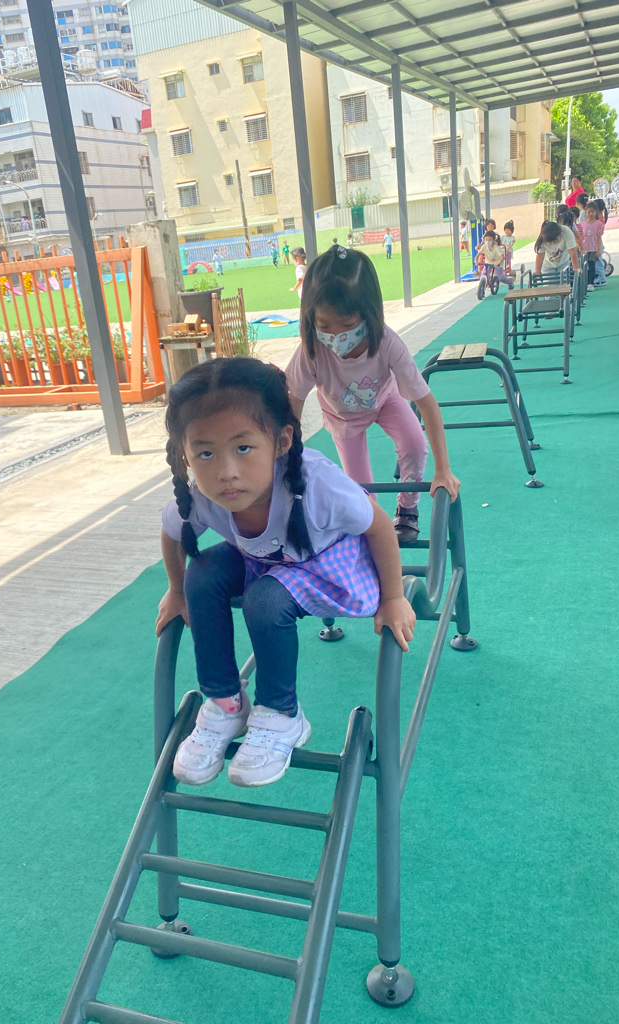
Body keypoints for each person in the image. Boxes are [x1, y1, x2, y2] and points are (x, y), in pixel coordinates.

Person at [156, 358, 416, 787]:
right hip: (263, 558)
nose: (226, 472)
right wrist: (176, 589)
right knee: (199, 574)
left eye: (243, 448)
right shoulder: (201, 494)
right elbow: (173, 533)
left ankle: (282, 713)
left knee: (265, 598)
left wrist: (393, 597)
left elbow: (379, 526)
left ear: (280, 441)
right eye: (205, 453)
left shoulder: (318, 486)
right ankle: (225, 702)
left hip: (326, 561)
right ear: (184, 453)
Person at [284, 245, 460, 546]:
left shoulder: (387, 343)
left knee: (415, 444)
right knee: (361, 491)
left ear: (369, 314)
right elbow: (293, 404)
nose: (336, 336)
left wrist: (443, 469)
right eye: (324, 325)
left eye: (347, 325)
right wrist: (290, 460)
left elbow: (427, 404)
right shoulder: (312, 349)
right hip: (342, 417)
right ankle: (375, 530)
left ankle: (407, 508)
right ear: (311, 318)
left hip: (384, 399)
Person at [580, 201, 605, 290]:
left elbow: (599, 238)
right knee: (583, 267)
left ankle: (591, 283)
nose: (591, 214)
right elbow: (580, 238)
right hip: (584, 249)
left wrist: (598, 249)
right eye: (589, 212)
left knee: (591, 266)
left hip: (593, 249)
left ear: (596, 212)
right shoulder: (581, 224)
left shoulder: (599, 224)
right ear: (585, 212)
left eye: (593, 212)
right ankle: (584, 283)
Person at [593, 199, 609, 285]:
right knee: (598, 262)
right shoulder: (601, 217)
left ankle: (602, 279)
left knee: (598, 262)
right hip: (597, 242)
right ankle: (600, 278)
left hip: (597, 243)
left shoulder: (598, 220)